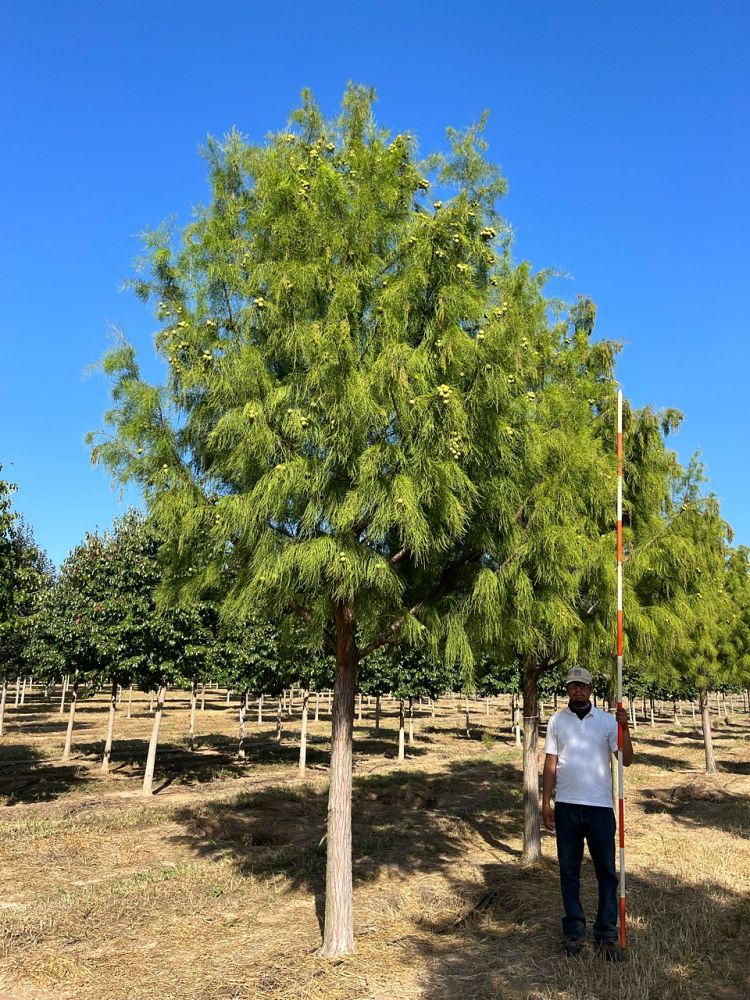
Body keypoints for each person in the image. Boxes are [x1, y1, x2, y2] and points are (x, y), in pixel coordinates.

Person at [542, 666, 634, 961]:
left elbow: (627, 759)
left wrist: (625, 728)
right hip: (567, 806)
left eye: (583, 686)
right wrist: (546, 802)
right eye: (573, 686)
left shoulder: (607, 722)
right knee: (569, 872)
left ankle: (606, 932)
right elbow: (550, 763)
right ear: (567, 689)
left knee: (607, 872)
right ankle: (574, 931)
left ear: (590, 689)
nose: (578, 690)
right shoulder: (557, 721)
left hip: (600, 808)